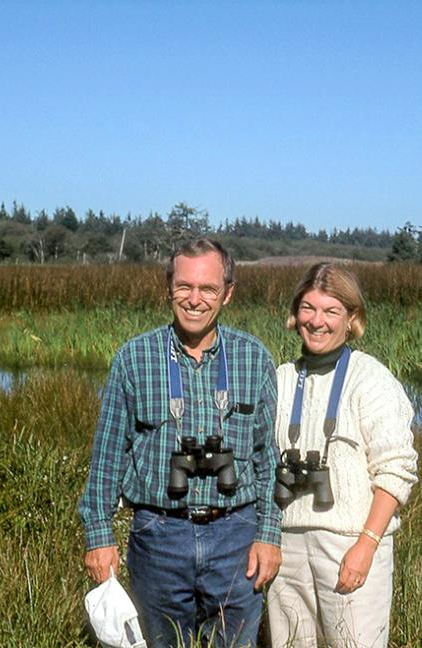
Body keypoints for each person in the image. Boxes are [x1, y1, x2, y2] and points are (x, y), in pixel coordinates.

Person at [79, 238, 282, 648]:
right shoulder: (135, 357)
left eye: (207, 288)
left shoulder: (253, 357)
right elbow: (107, 456)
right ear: (167, 288)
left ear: (227, 293)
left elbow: (268, 459)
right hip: (159, 535)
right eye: (184, 286)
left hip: (236, 534)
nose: (194, 299)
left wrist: (269, 534)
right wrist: (99, 536)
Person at [267, 262, 418, 648]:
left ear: (352, 318)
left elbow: (396, 471)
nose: (318, 321)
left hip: (350, 544)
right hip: (286, 546)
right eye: (308, 309)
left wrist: (366, 546)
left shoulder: (372, 380)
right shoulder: (281, 378)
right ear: (295, 313)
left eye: (331, 311)